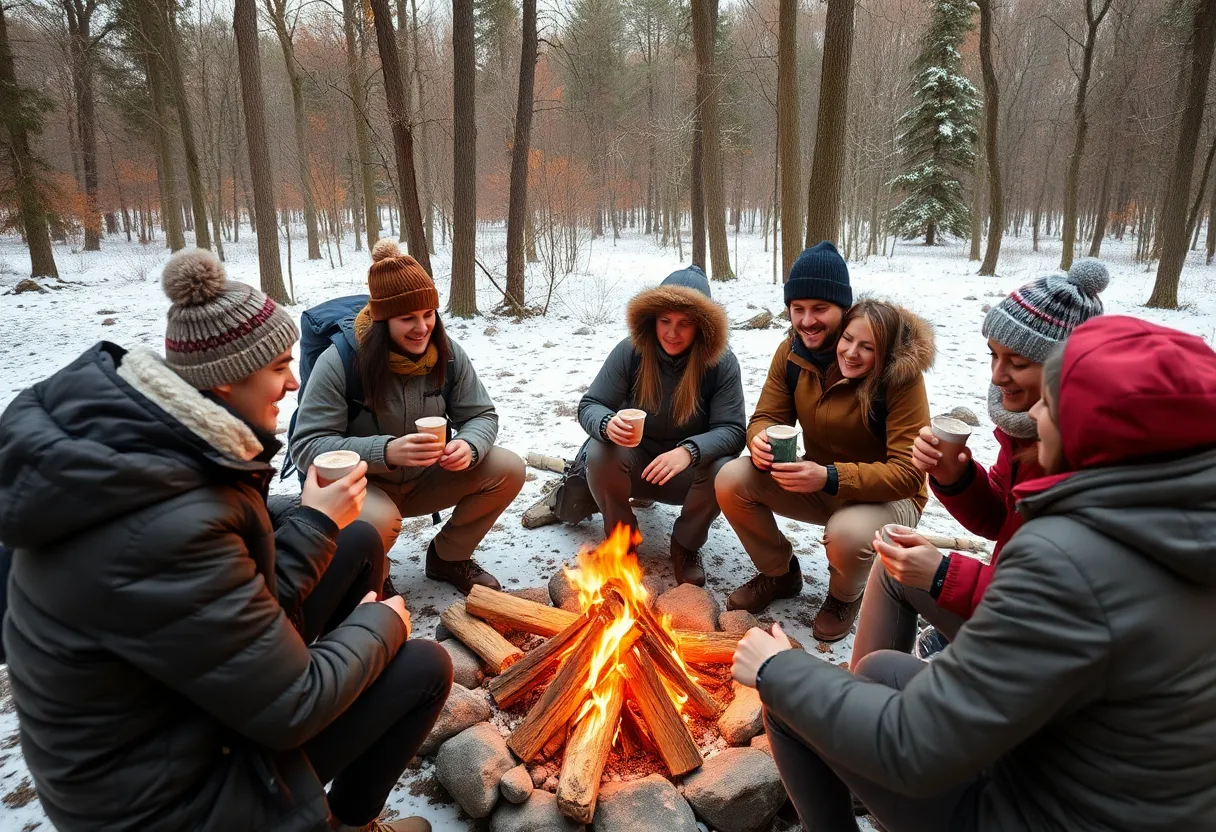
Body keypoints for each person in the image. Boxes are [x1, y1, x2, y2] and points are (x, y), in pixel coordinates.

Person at [0, 249, 451, 832]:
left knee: (358, 539)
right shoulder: (167, 524)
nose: (293, 381)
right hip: (173, 801)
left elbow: (229, 603)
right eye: (280, 368)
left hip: (183, 718)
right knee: (420, 665)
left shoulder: (153, 452)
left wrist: (313, 521)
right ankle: (345, 820)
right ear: (228, 380)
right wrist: (381, 623)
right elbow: (292, 705)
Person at [732, 314, 1216, 832]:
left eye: (1049, 402)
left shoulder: (1074, 556)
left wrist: (776, 668)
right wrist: (958, 477)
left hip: (1040, 809)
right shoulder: (1170, 520)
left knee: (786, 698)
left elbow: (916, 747)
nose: (1033, 414)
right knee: (876, 673)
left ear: (1094, 424)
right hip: (1077, 766)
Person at [851, 259, 1110, 665]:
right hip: (1009, 602)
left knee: (881, 669)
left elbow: (1057, 605)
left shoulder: (1090, 458)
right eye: (993, 355)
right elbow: (999, 521)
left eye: (1019, 363)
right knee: (892, 568)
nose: (997, 375)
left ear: (1068, 373)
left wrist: (941, 575)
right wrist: (955, 476)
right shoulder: (1025, 425)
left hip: (1046, 651)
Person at [716, 242, 933, 639]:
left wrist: (829, 476)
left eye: (819, 309)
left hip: (887, 498)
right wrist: (759, 438)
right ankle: (779, 574)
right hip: (818, 481)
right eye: (797, 309)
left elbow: (908, 472)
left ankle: (844, 595)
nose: (807, 320)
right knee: (731, 479)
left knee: (848, 534)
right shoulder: (792, 354)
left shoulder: (897, 371)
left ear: (843, 309)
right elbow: (767, 415)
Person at [290, 239, 525, 594]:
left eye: (428, 315)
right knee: (380, 520)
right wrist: (385, 452)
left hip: (426, 477)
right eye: (407, 319)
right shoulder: (340, 362)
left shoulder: (446, 355)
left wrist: (468, 445)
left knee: (508, 468)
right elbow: (307, 446)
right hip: (363, 488)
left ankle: (449, 556)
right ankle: (370, 577)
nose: (422, 328)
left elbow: (482, 415)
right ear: (383, 321)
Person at [568, 265, 746, 584]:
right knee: (600, 450)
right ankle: (622, 538)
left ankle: (686, 546)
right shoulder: (631, 351)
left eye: (684, 324)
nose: (672, 333)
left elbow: (733, 430)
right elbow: (590, 404)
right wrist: (608, 423)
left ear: (702, 327)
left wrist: (690, 451)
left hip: (687, 476)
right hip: (635, 465)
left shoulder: (721, 363)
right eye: (665, 321)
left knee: (726, 468)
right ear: (653, 319)